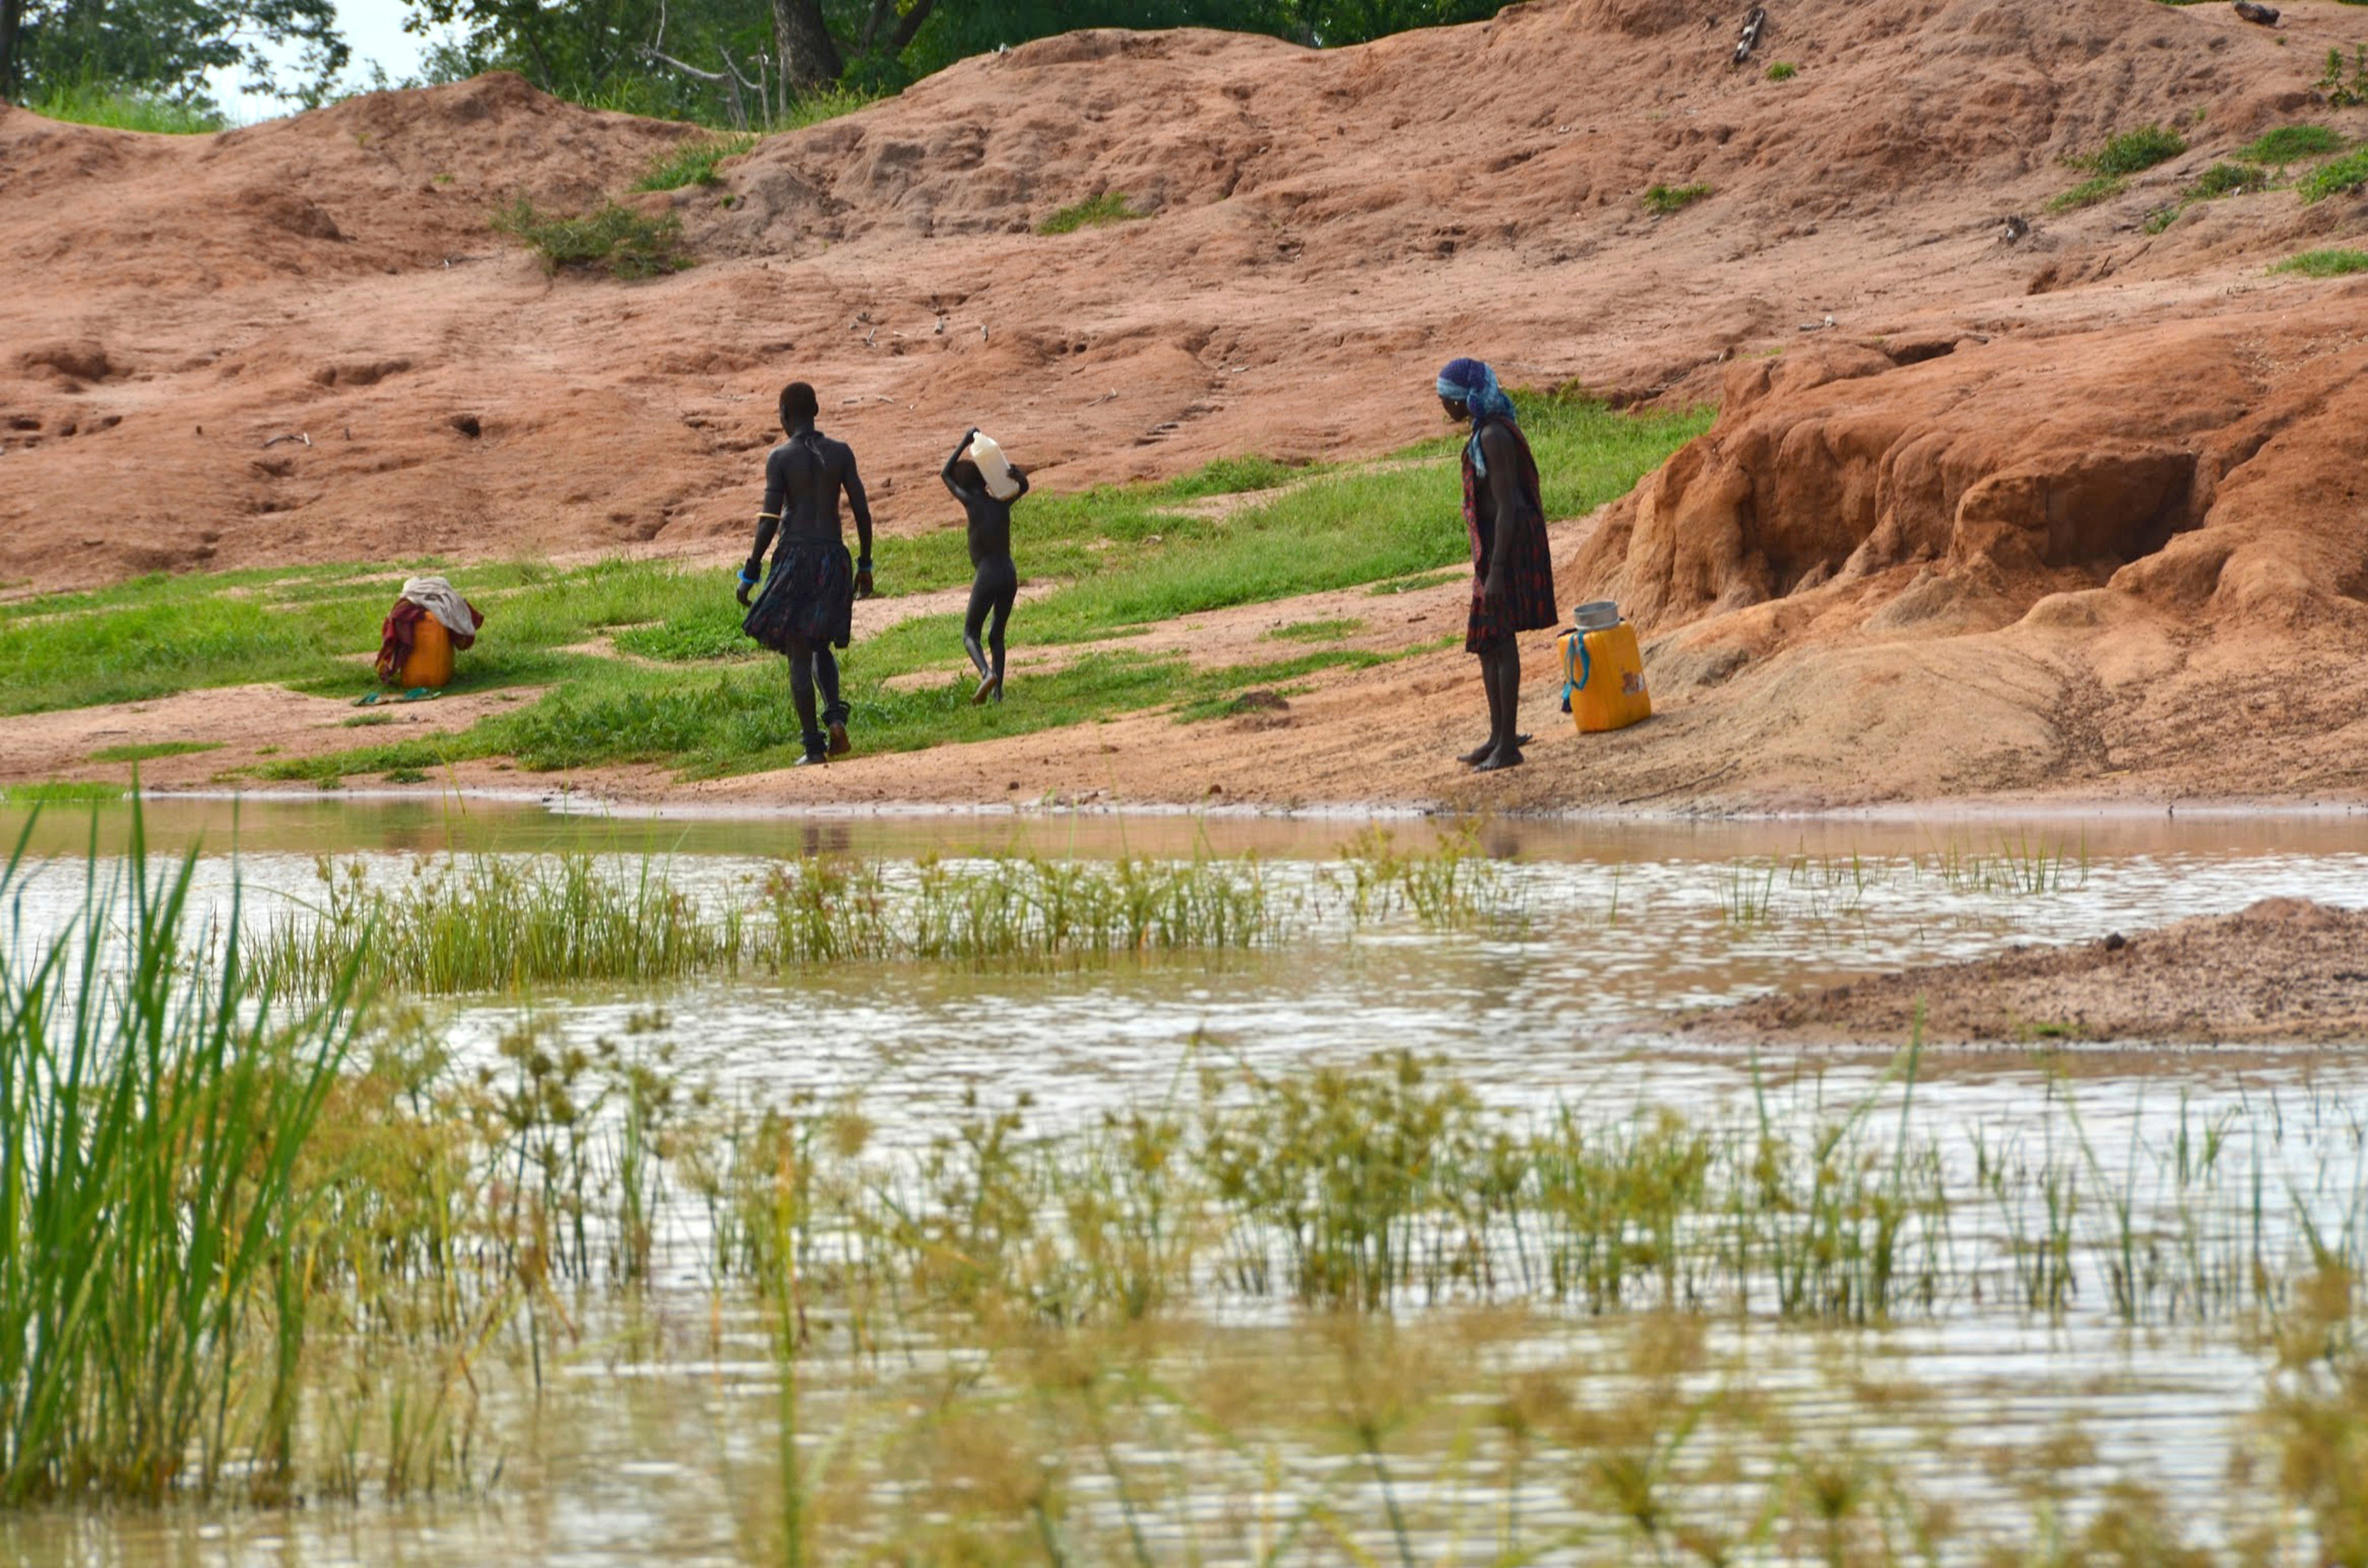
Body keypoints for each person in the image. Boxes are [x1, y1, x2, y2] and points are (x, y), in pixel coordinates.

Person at [738, 381, 875, 766]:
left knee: (799, 651)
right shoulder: (841, 453)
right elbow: (862, 512)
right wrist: (865, 563)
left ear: (783, 414)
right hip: (834, 555)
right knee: (821, 643)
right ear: (816, 408)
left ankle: (813, 748)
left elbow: (768, 521)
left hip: (796, 555)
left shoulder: (780, 458)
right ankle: (834, 718)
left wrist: (750, 571)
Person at [1437, 357, 1556, 772]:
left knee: (1501, 640)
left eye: (1446, 399)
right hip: (1495, 547)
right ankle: (1497, 736)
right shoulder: (1484, 432)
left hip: (1509, 547)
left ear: (1465, 400)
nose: (1442, 406)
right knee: (1489, 641)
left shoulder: (1492, 436)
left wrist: (1499, 571)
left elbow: (1507, 505)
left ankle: (1508, 744)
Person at [941, 427, 1028, 703]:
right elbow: (1023, 488)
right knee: (997, 635)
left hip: (988, 574)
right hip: (1009, 573)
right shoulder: (1001, 503)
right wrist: (1018, 477)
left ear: (965, 487)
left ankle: (986, 673)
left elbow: (945, 474)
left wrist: (965, 442)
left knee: (970, 634)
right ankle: (999, 694)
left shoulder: (971, 503)